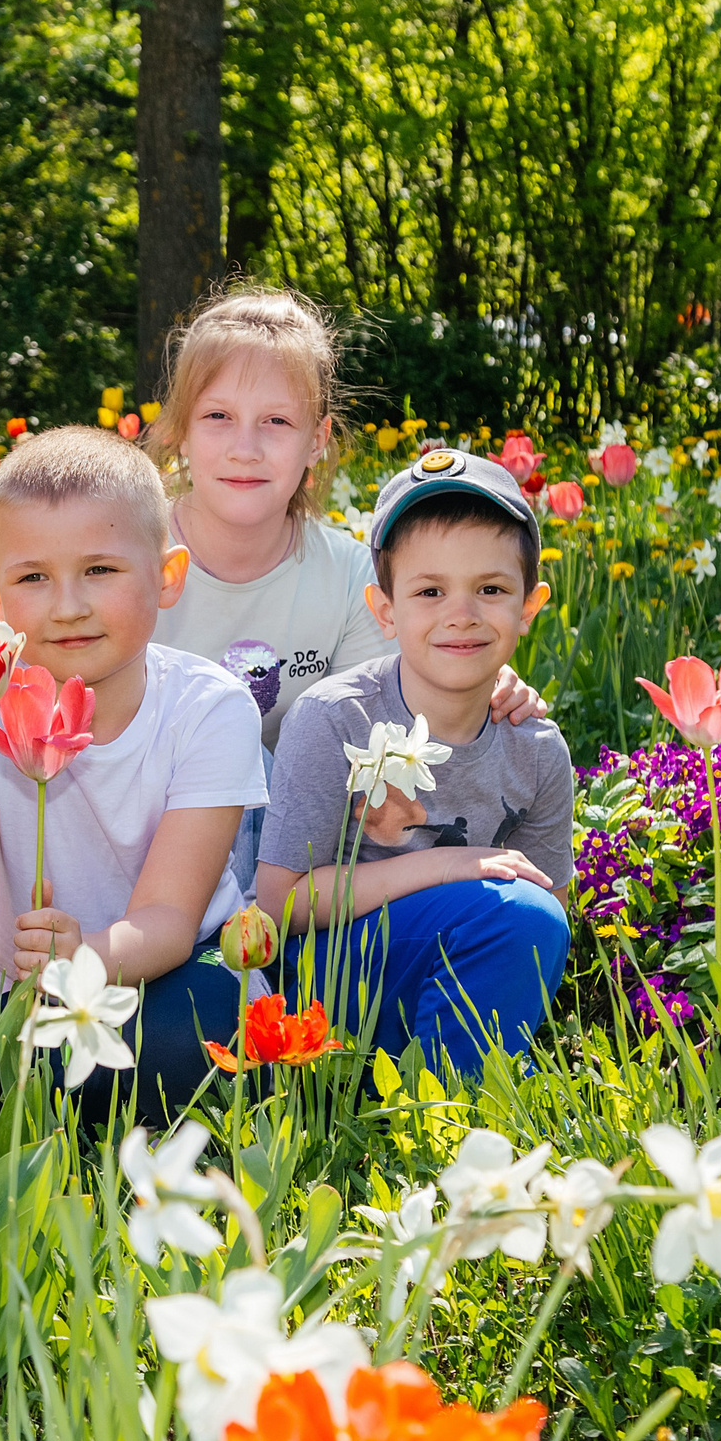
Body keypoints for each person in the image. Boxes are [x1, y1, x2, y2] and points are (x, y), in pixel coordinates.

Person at [0, 425, 267, 1127]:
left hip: (171, 967)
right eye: (33, 577)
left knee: (176, 1048)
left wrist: (83, 959)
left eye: (99, 570)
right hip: (26, 987)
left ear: (167, 577)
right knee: (5, 1073)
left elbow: (169, 917)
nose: (67, 604)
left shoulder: (211, 708)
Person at [143, 286, 543, 888]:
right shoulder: (129, 565)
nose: (245, 448)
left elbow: (388, 726)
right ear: (179, 428)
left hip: (301, 859)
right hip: (147, 841)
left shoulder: (353, 577)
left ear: (317, 438)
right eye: (217, 416)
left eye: (276, 421)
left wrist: (477, 678)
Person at [253, 449, 574, 1073]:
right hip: (329, 974)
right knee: (516, 918)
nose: (462, 613)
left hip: (454, 960)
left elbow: (546, 912)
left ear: (529, 607)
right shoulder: (334, 717)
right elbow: (279, 906)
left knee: (530, 921)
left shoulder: (536, 751)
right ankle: (437, 1106)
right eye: (430, 590)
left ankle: (441, 1092)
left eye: (491, 589)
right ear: (385, 610)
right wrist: (448, 864)